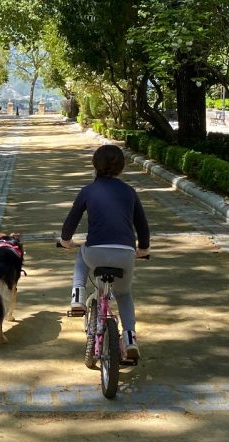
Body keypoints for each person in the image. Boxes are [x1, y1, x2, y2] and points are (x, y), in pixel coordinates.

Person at [58, 144, 150, 360]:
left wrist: (65, 241)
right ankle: (129, 339)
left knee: (81, 252)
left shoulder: (87, 191)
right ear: (121, 168)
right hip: (125, 254)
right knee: (124, 294)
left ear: (95, 165)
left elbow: (71, 221)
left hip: (95, 252)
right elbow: (143, 226)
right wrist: (143, 249)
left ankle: (78, 296)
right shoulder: (129, 192)